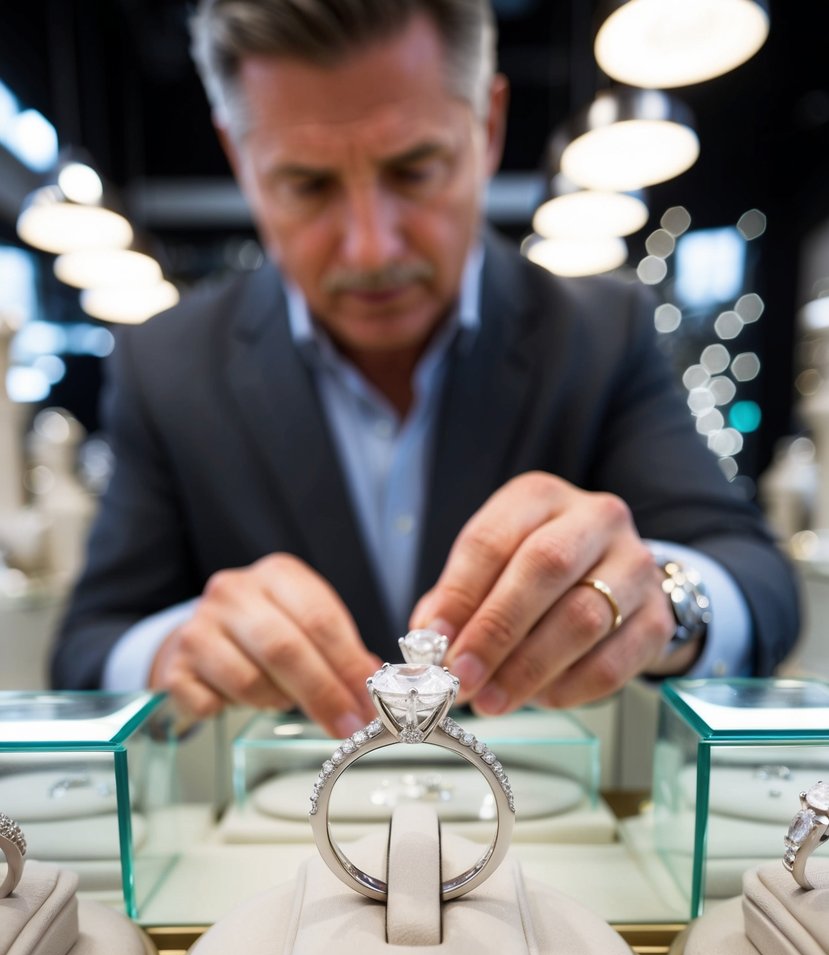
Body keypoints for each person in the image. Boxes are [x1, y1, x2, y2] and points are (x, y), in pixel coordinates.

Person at [50, 0, 799, 737]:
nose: (371, 248)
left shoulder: (599, 333)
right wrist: (176, 652)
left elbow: (757, 583)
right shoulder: (168, 364)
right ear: (238, 158)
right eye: (306, 185)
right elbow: (85, 650)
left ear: (489, 123)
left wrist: (665, 603)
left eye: (414, 170)